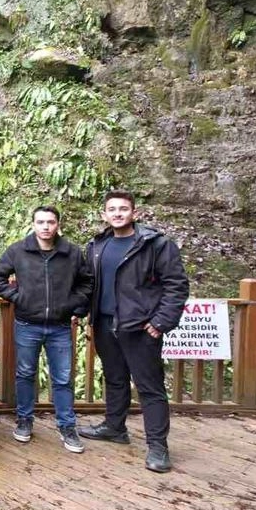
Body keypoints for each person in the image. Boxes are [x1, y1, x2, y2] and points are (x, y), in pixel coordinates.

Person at [79, 191, 189, 472]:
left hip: (140, 326)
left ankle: (158, 447)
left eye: (123, 209)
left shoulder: (156, 244)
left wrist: (161, 322)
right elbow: (88, 284)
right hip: (105, 323)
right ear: (104, 215)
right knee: (114, 379)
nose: (117, 213)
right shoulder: (97, 245)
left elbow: (176, 285)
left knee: (150, 387)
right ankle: (114, 427)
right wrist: (81, 312)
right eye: (112, 209)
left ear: (134, 213)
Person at [0, 205, 93, 453]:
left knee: (63, 378)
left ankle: (67, 426)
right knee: (25, 374)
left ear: (58, 225)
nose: (46, 227)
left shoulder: (71, 253)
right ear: (33, 224)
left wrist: (74, 305)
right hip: (27, 324)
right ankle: (24, 420)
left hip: (60, 326)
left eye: (50, 222)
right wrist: (18, 297)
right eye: (41, 222)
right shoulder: (18, 250)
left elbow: (87, 282)